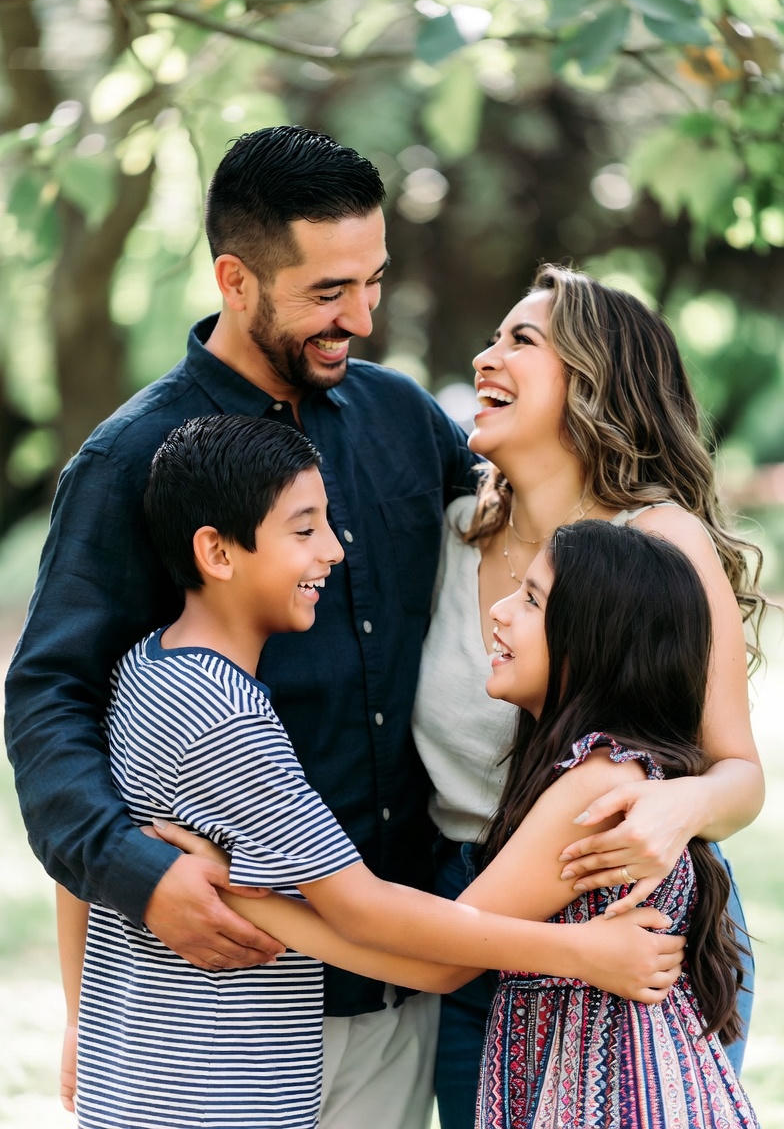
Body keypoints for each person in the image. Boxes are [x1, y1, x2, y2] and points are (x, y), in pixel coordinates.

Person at [6, 125, 476, 1129]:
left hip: (398, 992)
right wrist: (142, 872)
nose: (359, 317)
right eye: (326, 292)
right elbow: (51, 704)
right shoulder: (129, 460)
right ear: (235, 278)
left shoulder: (405, 424)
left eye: (374, 282)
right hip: (214, 1001)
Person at [57, 415, 685, 1128]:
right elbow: (360, 908)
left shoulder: (145, 667)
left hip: (146, 1074)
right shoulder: (227, 718)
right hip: (211, 1089)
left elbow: (78, 861)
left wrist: (93, 1006)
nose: (333, 550)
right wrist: (580, 952)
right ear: (217, 553)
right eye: (305, 530)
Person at [411, 265, 766, 1127]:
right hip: (469, 910)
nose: (486, 355)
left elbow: (740, 774)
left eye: (520, 340)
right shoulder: (448, 533)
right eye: (492, 337)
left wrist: (676, 808)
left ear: (595, 381)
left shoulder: (659, 542)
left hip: (633, 918)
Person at [473, 519, 759, 1127]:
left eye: (530, 598)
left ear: (595, 642)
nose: (498, 612)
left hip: (598, 1097)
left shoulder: (600, 785)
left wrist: (266, 902)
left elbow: (439, 954)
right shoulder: (609, 769)